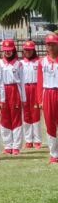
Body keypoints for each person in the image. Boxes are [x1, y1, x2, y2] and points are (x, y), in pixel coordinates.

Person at [0, 39, 25, 155]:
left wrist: (23, 98)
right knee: (4, 119)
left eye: (9, 50)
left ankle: (16, 146)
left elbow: (22, 82)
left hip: (15, 91)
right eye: (5, 50)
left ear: (13, 50)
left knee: (16, 119)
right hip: (3, 91)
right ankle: (8, 145)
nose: (7, 52)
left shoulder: (19, 64)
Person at [39, 34, 58, 164]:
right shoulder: (42, 61)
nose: (50, 47)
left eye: (53, 44)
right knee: (50, 124)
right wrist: (40, 99)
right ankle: (54, 154)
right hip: (48, 93)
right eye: (48, 44)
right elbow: (40, 82)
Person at [21, 41, 43, 150]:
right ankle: (28, 140)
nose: (27, 52)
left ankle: (37, 140)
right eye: (26, 50)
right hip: (25, 89)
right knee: (26, 115)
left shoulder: (39, 62)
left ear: (34, 50)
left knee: (36, 115)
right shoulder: (21, 63)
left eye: (30, 50)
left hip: (35, 88)